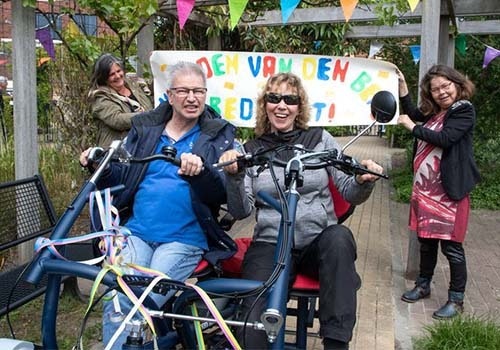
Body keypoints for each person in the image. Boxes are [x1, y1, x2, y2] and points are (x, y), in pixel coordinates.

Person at [218, 72, 383, 350]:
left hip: (314, 244)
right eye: (274, 98)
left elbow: (349, 190)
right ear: (265, 104)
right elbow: (241, 210)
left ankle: (336, 343)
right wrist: (233, 176)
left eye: (290, 99)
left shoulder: (320, 140)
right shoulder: (251, 150)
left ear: (299, 106)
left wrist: (362, 180)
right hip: (270, 243)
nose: (281, 105)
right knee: (253, 328)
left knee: (339, 236)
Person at [80, 61, 237, 349]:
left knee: (143, 299)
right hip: (137, 233)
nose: (192, 98)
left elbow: (222, 194)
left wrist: (201, 172)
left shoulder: (217, 134)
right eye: (184, 91)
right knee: (118, 301)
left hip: (183, 240)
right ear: (169, 95)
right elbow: (122, 173)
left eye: (199, 91)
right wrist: (97, 163)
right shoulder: (146, 129)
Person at [397, 65, 481, 319]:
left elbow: (445, 139)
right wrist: (403, 89)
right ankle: (423, 285)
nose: (442, 92)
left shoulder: (463, 110)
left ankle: (456, 300)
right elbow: (413, 113)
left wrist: (411, 127)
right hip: (426, 192)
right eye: (435, 89)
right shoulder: (436, 114)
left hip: (448, 193)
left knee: (452, 248)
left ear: (457, 84)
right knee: (427, 242)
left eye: (446, 86)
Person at [88, 53, 154, 148]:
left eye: (119, 71)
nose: (118, 76)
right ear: (103, 78)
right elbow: (117, 120)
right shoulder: (100, 97)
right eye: (112, 74)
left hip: (145, 146)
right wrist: (146, 116)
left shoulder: (135, 84)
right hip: (117, 153)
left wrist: (156, 62)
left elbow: (159, 86)